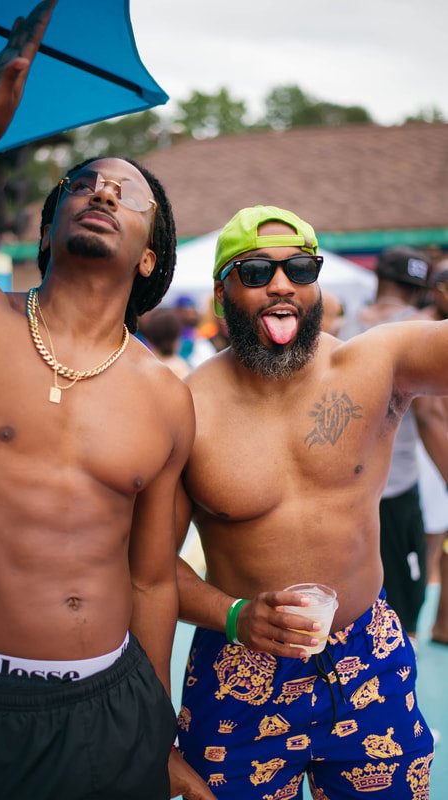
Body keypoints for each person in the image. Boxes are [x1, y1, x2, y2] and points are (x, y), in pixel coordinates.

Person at [0, 4, 213, 798]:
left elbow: (151, 582)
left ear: (149, 253)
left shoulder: (163, 396)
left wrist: (156, 730)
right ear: (48, 231)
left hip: (114, 709)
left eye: (128, 191)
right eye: (84, 182)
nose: (103, 191)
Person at [174, 205, 447, 799]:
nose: (281, 284)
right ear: (220, 297)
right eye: (254, 272)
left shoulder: (378, 363)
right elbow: (143, 569)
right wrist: (232, 615)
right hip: (239, 670)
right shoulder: (184, 407)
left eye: (300, 268)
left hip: (366, 655)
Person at [339, 248, 448, 642]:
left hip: (343, 493)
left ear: (380, 281)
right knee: (406, 605)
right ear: (418, 289)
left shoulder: (339, 328)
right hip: (397, 488)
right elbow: (432, 416)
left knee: (353, 603)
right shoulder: (416, 330)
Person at [416, 266, 448, 644]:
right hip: (427, 460)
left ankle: (440, 626)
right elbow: (429, 413)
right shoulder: (424, 331)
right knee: (426, 549)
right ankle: (407, 631)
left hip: (436, 455)